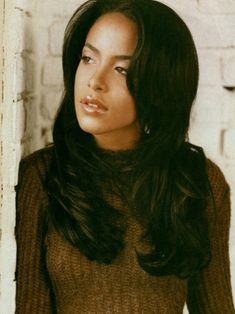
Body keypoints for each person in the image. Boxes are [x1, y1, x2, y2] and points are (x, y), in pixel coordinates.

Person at [15, 0, 235, 313]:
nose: (95, 81)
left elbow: (217, 308)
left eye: (122, 69)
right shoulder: (42, 177)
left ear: (160, 86)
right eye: (88, 58)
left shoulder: (199, 182)